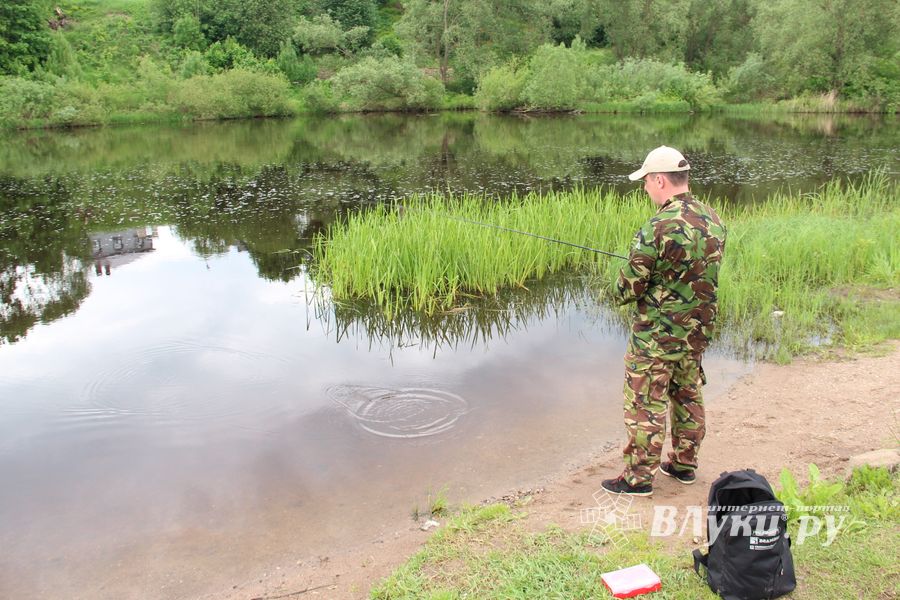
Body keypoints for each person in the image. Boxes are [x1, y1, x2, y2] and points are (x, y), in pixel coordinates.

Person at [601, 146, 727, 497]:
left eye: (645, 182)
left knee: (646, 402)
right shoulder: (713, 217)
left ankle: (638, 478)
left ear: (660, 180)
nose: (644, 188)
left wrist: (623, 274)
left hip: (657, 337)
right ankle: (684, 465)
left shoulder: (657, 226)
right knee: (687, 395)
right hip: (696, 332)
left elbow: (627, 288)